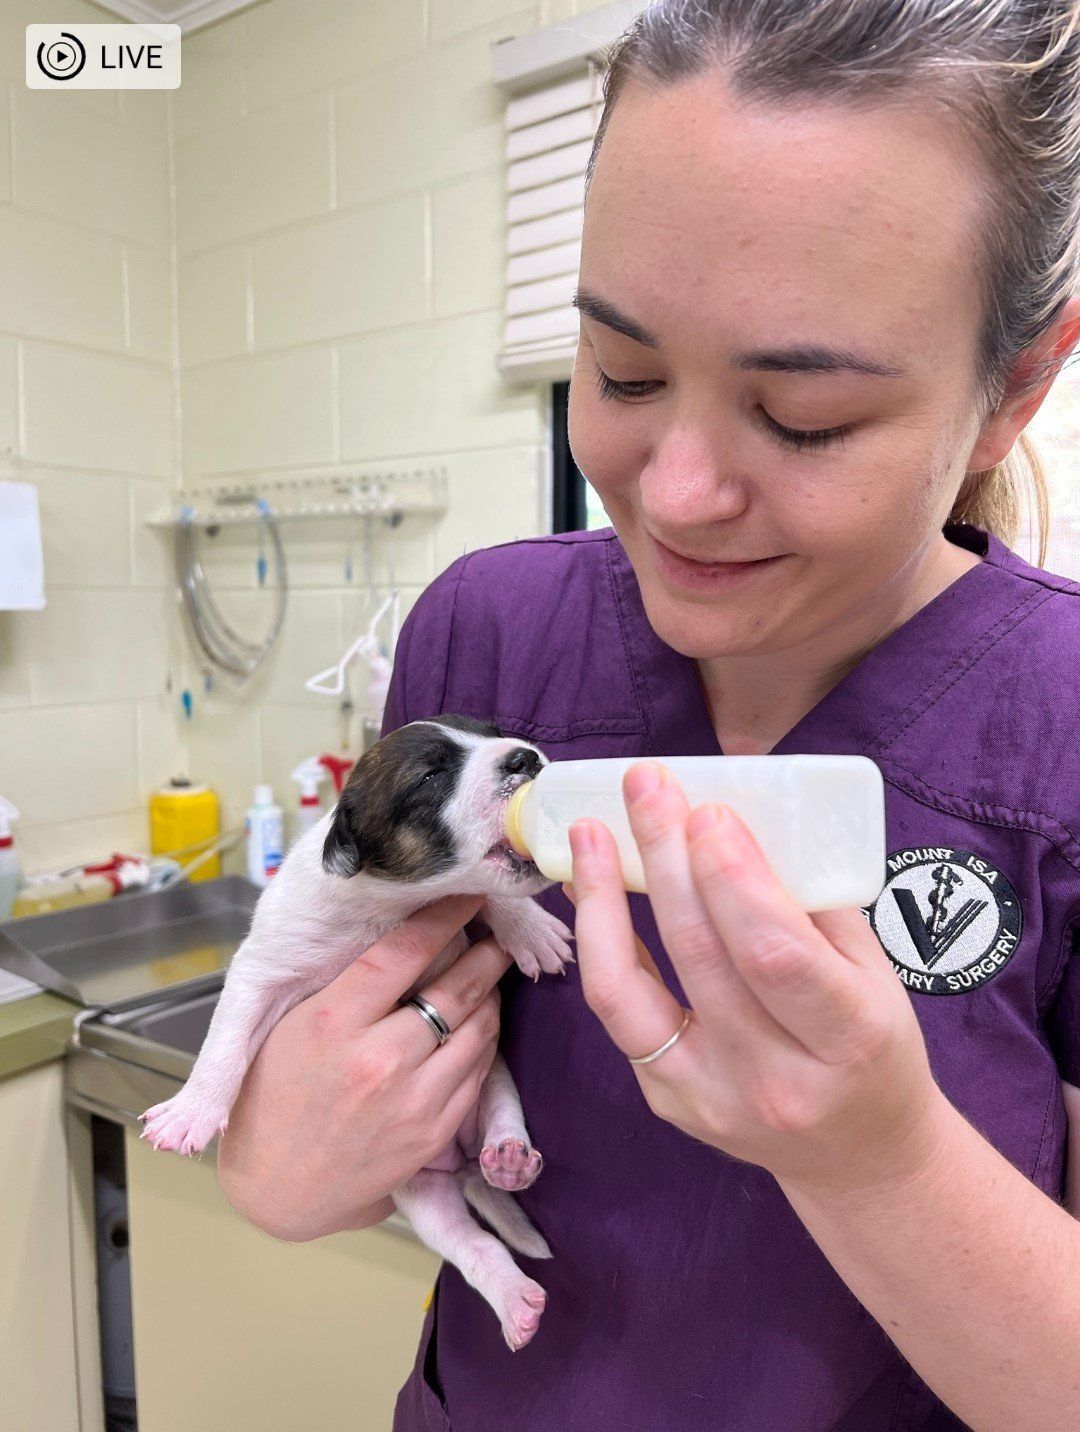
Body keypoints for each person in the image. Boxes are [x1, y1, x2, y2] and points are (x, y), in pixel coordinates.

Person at [217, 1, 1080, 1427]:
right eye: (621, 374)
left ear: (1012, 391)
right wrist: (281, 1159)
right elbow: (364, 1031)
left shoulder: (1051, 716)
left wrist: (880, 1161)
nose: (675, 493)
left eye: (802, 417)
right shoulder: (485, 636)